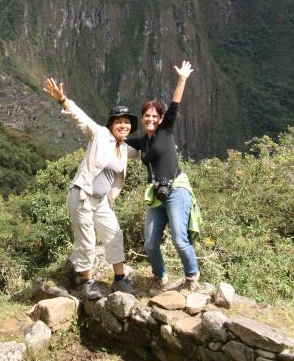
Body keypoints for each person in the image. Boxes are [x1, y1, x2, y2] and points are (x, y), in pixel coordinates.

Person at [43, 77, 140, 300]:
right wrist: (63, 100)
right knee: (86, 240)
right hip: (83, 197)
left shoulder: (125, 149)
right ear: (111, 124)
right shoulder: (101, 135)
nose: (123, 125)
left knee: (114, 234)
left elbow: (146, 154)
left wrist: (163, 144)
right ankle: (88, 282)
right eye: (119, 122)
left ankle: (119, 279)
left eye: (127, 123)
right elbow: (82, 119)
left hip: (102, 201)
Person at [127, 60, 200, 293]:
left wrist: (182, 79)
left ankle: (191, 277)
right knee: (150, 243)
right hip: (157, 193)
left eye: (153, 116)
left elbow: (174, 105)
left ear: (159, 119)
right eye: (146, 116)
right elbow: (115, 137)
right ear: (142, 118)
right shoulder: (143, 141)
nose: (150, 119)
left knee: (179, 239)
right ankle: (160, 277)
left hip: (176, 190)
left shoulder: (165, 131)